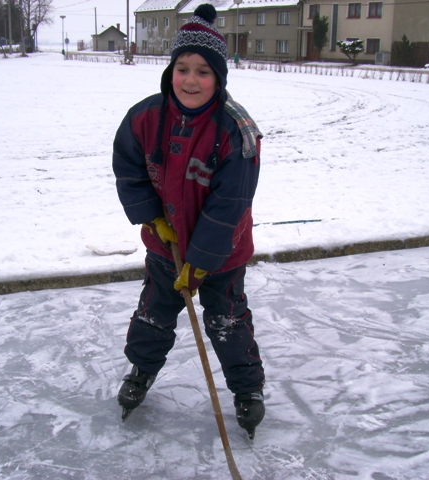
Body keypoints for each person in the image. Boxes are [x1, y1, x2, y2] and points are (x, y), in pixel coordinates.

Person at [112, 3, 265, 438]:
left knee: (227, 320)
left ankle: (247, 391)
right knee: (154, 313)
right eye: (182, 68)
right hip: (166, 246)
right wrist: (151, 218)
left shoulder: (236, 132)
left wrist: (202, 259)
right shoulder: (145, 117)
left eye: (203, 71)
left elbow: (231, 202)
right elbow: (130, 170)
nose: (191, 80)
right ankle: (141, 371)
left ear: (218, 78)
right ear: (170, 71)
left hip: (222, 254)